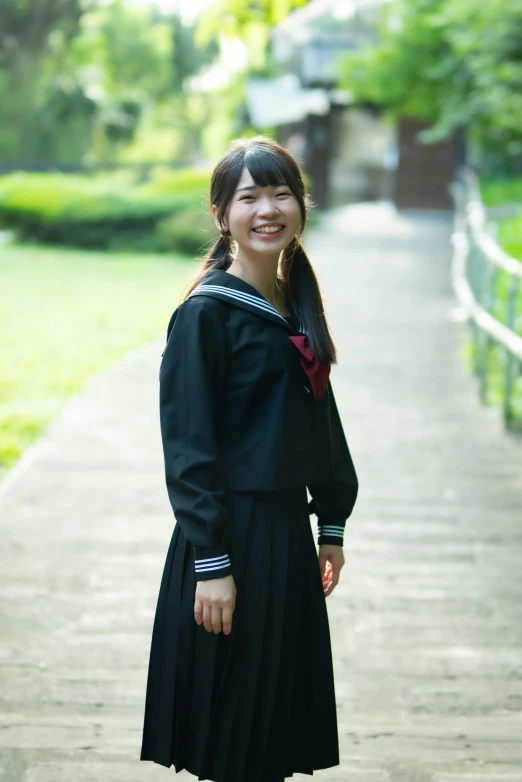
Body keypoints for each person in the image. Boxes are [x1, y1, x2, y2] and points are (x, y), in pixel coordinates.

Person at [140, 135, 359, 782]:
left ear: (301, 205)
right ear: (220, 214)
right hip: (229, 542)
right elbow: (188, 449)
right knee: (234, 736)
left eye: (282, 193)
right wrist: (212, 563)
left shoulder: (292, 305)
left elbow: (321, 422)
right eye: (249, 196)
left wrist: (332, 524)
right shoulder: (206, 316)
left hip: (287, 541)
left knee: (273, 736)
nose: (269, 209)